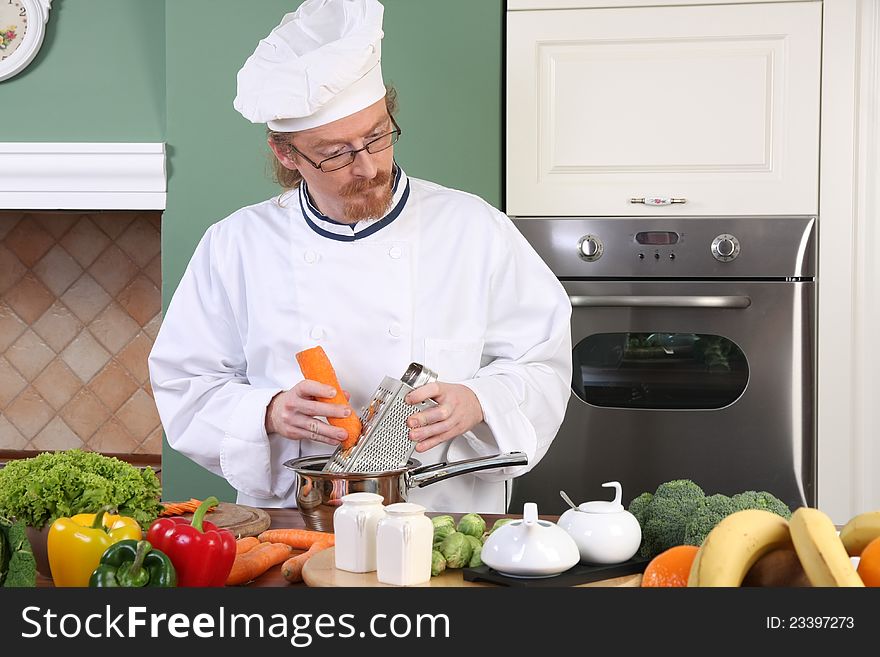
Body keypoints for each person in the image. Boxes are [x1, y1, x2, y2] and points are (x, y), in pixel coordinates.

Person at [148, 0, 572, 513]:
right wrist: (268, 411)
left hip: (444, 513)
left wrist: (480, 400)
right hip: (300, 517)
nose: (368, 166)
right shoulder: (234, 244)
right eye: (336, 153)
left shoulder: (472, 227)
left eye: (377, 136)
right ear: (287, 154)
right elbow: (184, 383)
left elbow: (543, 363)